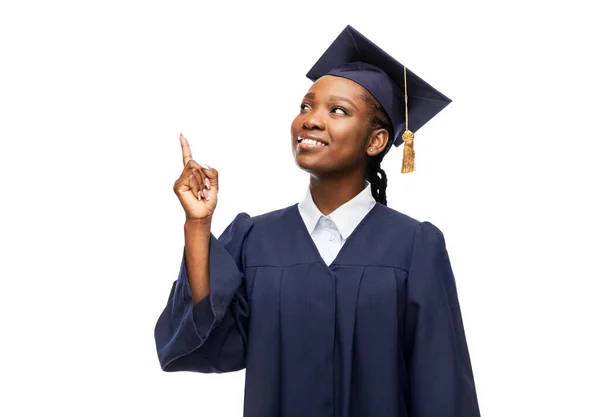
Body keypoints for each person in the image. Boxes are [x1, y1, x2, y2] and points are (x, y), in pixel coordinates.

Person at [154, 25, 481, 417]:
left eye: (337, 110)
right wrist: (198, 226)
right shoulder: (256, 238)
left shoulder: (415, 246)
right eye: (305, 107)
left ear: (376, 141)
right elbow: (209, 343)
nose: (310, 120)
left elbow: (442, 386)